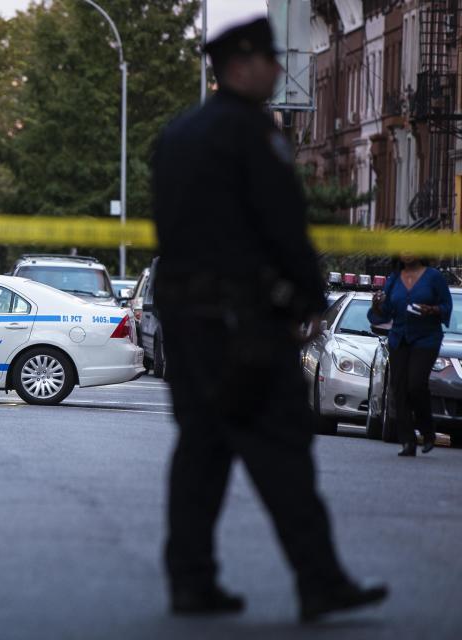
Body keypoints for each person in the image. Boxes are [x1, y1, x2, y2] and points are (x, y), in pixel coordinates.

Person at [152, 18, 387, 622]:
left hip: (187, 319)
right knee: (282, 450)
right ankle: (320, 579)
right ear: (238, 67)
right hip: (245, 324)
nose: (279, 72)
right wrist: (309, 297)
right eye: (268, 62)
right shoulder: (253, 134)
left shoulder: (178, 135)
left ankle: (190, 581)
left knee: (200, 452)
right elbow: (282, 224)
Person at [368, 254, 451, 456]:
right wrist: (378, 304)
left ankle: (427, 430)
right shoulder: (394, 279)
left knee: (415, 384)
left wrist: (431, 310)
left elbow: (447, 306)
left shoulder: (434, 277)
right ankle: (407, 441)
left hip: (426, 338)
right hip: (399, 338)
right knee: (399, 388)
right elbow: (385, 313)